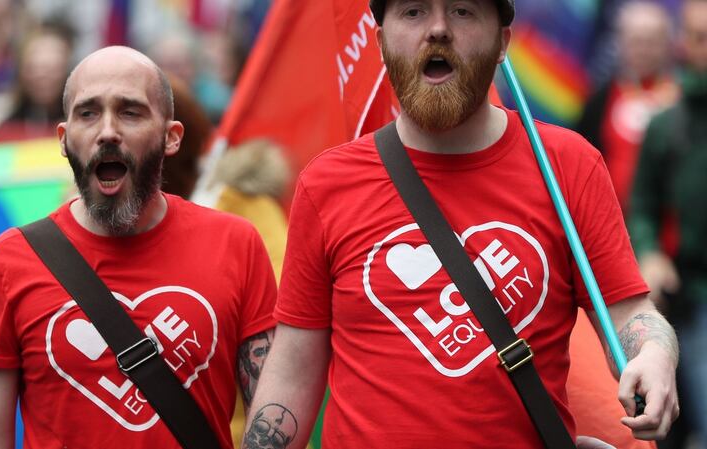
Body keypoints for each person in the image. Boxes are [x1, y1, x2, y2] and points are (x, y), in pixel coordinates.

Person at [243, 1, 679, 448]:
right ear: (380, 42)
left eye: (463, 11)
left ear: (502, 44)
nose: (437, 29)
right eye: (413, 12)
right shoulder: (325, 183)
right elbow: (293, 369)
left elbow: (629, 312)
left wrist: (656, 354)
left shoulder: (569, 166)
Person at [0, 46, 277, 449]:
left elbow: (274, 410)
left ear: (171, 137)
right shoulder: (10, 260)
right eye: (88, 113)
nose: (107, 130)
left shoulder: (237, 243)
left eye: (130, 111)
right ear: (64, 138)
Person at [630, 0, 707, 445]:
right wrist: (651, 251)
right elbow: (642, 204)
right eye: (698, 37)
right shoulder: (667, 125)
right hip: (691, 295)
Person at [576, 1, 678, 213]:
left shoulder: (683, 99)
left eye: (652, 42)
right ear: (621, 44)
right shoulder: (598, 101)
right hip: (610, 219)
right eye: (636, 42)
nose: (643, 50)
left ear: (668, 45)